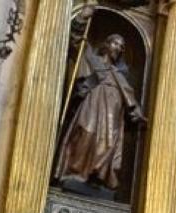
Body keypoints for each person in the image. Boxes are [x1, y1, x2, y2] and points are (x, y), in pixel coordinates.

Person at [55, 31, 146, 192]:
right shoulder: (93, 60)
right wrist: (83, 18)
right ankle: (75, 173)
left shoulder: (118, 74)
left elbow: (129, 97)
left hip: (112, 114)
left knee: (107, 144)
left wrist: (137, 113)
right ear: (106, 44)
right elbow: (77, 41)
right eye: (115, 43)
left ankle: (97, 178)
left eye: (121, 46)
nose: (117, 47)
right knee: (85, 134)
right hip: (93, 105)